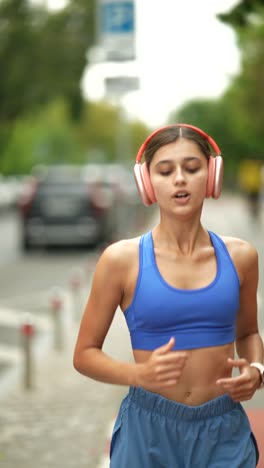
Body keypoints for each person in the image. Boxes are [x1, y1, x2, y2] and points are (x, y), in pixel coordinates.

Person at [73, 124, 264, 467]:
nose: (179, 179)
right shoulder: (120, 260)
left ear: (212, 176)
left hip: (224, 432)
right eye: (165, 170)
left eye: (192, 168)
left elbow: (248, 332)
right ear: (147, 183)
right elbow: (84, 354)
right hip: (147, 431)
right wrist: (137, 376)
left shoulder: (242, 257)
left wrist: (256, 369)